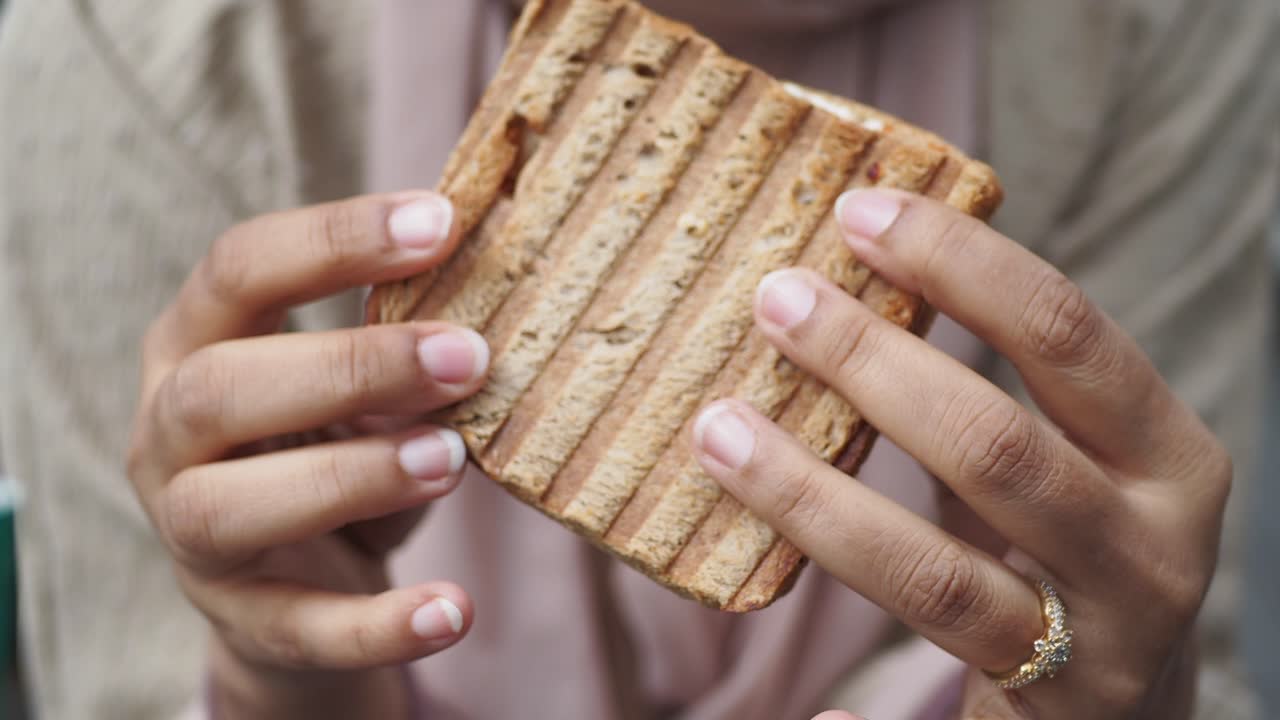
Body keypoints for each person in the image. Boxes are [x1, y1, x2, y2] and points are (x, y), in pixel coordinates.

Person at [0, 1, 1276, 718]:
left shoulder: (1159, 28)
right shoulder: (136, 40)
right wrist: (279, 684)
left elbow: (1167, 645)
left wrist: (1102, 696)